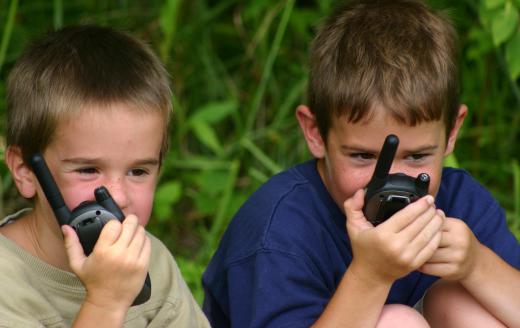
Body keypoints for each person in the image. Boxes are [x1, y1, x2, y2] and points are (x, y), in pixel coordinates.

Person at [202, 0, 520, 327]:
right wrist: (370, 276)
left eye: (416, 156)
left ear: (452, 131)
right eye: (364, 156)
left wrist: (477, 264)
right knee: (398, 323)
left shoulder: (461, 203)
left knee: (459, 299)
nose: (392, 181)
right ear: (315, 133)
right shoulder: (278, 235)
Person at [0, 25, 209, 327]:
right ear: (26, 171)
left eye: (138, 171)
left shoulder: (151, 262)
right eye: (88, 170)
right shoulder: (7, 281)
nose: (119, 196)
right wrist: (105, 302)